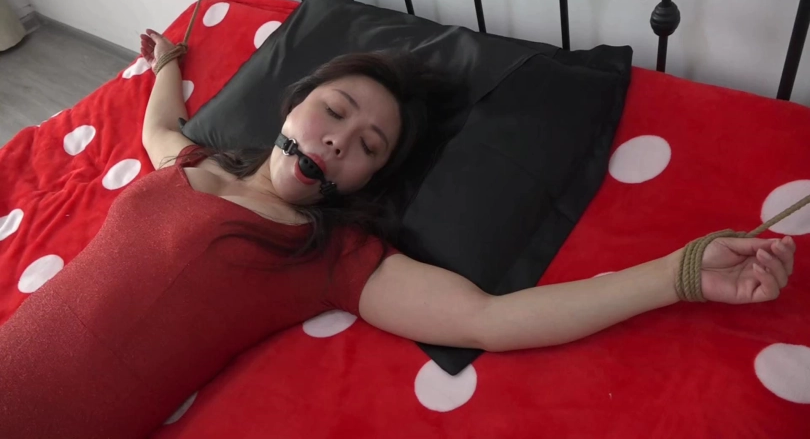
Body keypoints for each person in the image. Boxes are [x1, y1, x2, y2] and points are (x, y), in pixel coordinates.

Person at [0, 29, 797, 439]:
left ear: (363, 183)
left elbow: (490, 319)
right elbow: (158, 128)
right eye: (335, 111)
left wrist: (681, 272)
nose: (340, 139)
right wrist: (169, 58)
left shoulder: (324, 255)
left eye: (369, 146)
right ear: (293, 105)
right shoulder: (191, 162)